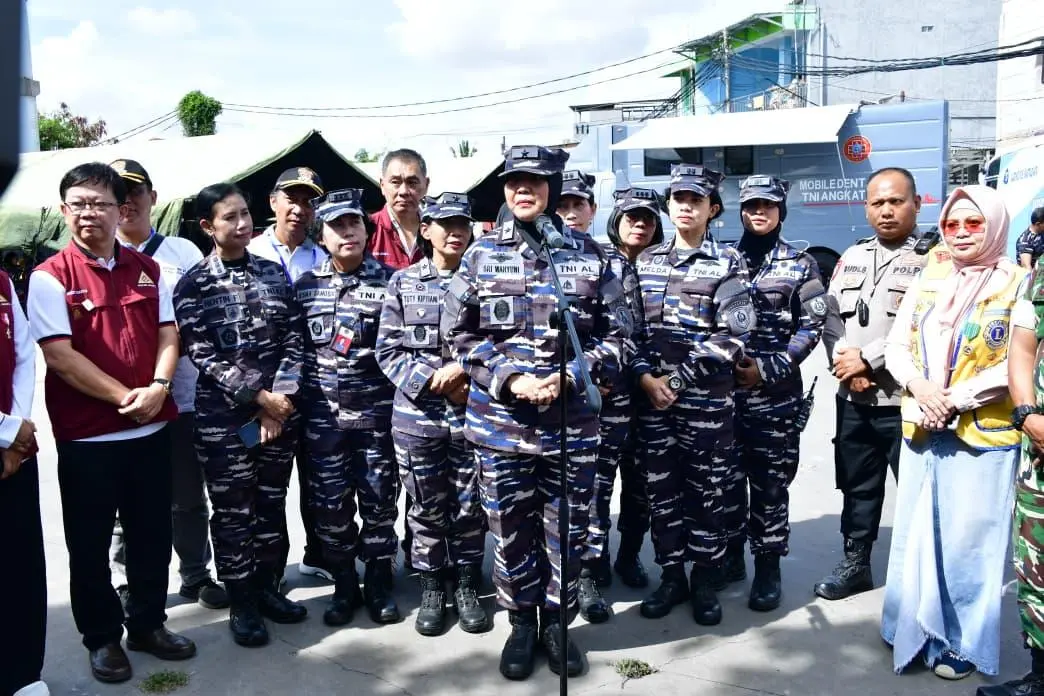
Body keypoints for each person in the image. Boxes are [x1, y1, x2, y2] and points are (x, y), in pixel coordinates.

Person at [442, 145, 630, 680]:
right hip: (501, 428)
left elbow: (619, 338)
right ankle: (522, 624)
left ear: (553, 188)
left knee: (566, 531)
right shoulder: (479, 257)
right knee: (511, 530)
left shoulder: (591, 256)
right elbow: (457, 333)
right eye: (514, 181)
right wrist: (510, 378)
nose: (523, 189)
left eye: (535, 181)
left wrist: (572, 374)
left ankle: (557, 623)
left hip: (570, 428)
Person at [27, 163, 195, 684]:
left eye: (98, 203)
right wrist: (129, 397)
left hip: (151, 432)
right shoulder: (49, 277)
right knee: (90, 543)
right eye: (77, 203)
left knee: (150, 536)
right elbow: (60, 356)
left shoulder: (149, 269)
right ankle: (102, 638)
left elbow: (170, 333)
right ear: (64, 211)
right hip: (89, 440)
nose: (88, 213)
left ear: (119, 209)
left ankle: (147, 624)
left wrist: (160, 388)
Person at [882, 184, 1026, 680]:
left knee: (971, 542)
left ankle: (964, 643)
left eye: (974, 223)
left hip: (981, 430)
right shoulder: (931, 278)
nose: (961, 234)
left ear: (995, 227)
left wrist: (955, 399)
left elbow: (1018, 361)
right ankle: (908, 626)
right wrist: (921, 387)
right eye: (952, 224)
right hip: (924, 424)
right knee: (914, 533)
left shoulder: (1018, 283)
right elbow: (898, 343)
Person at [174, 183, 307, 648]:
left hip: (277, 418)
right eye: (230, 217)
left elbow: (295, 338)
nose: (243, 224)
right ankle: (242, 600)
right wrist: (259, 398)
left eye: (246, 214)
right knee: (234, 512)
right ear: (209, 226)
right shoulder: (193, 284)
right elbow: (203, 354)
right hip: (226, 424)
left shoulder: (273, 274)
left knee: (271, 505)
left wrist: (281, 399)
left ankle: (268, 589)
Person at [633, 164, 754, 627]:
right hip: (654, 403)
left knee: (707, 492)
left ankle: (705, 579)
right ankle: (671, 575)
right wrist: (646, 377)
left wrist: (676, 382)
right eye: (678, 198)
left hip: (704, 405)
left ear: (712, 209)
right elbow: (631, 330)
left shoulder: (728, 263)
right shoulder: (648, 262)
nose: (686, 205)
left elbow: (734, 335)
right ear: (669, 205)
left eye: (695, 199)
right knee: (661, 491)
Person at [106, 159, 226, 611]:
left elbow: (206, 319)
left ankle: (196, 574)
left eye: (134, 191)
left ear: (153, 198)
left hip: (186, 396)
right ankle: (124, 582)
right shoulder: (102, 257)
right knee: (126, 501)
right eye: (116, 194)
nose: (127, 202)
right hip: (125, 400)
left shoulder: (182, 253)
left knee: (187, 495)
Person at [376, 191, 489, 637]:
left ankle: (464, 582)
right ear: (426, 230)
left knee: (469, 502)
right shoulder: (402, 283)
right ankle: (430, 584)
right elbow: (386, 350)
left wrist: (464, 373)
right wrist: (433, 379)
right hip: (417, 416)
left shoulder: (487, 282)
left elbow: (500, 343)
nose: (455, 232)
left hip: (471, 413)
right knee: (425, 504)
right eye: (445, 224)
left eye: (462, 223)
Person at [815, 167, 928, 601]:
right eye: (878, 202)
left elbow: (921, 323)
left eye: (896, 201)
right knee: (858, 485)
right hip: (853, 397)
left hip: (904, 400)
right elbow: (828, 315)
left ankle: (917, 576)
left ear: (916, 204)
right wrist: (844, 361)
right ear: (866, 207)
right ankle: (856, 564)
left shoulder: (932, 259)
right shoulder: (853, 255)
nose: (886, 211)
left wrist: (869, 361)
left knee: (916, 492)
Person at [720, 175, 827, 612]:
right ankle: (730, 558)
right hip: (724, 397)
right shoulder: (723, 259)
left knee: (769, 485)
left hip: (775, 397)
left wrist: (766, 369)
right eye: (750, 206)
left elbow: (812, 326)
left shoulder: (801, 264)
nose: (758, 213)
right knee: (725, 482)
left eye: (767, 206)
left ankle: (768, 565)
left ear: (781, 210)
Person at [294, 189, 401, 626]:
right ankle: (343, 583)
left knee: (379, 500)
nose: (348, 232)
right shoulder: (304, 289)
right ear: (322, 235)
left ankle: (377, 580)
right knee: (330, 506)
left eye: (354, 223)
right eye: (337, 226)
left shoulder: (393, 283)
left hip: (376, 418)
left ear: (365, 227)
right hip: (323, 423)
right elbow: (293, 353)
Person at [568, 181, 659, 624]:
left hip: (655, 397)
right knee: (594, 489)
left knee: (641, 484)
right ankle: (589, 567)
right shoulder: (596, 262)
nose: (638, 225)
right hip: (607, 396)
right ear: (613, 219)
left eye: (646, 218)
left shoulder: (663, 264)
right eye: (631, 217)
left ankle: (629, 555)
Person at [247, 166, 330, 583]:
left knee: (317, 479)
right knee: (267, 482)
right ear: (273, 202)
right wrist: (265, 398)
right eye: (291, 198)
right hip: (264, 398)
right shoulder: (251, 254)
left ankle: (317, 554)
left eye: (308, 200)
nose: (299, 208)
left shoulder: (323, 258)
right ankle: (270, 570)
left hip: (315, 393)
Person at [993, 244, 1044, 696]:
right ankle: (1040, 675)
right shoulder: (1042, 271)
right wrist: (1027, 413)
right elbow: (1023, 346)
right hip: (1041, 445)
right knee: (1035, 561)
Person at [0, 268, 47, 696]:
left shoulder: (0, 282)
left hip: (12, 449)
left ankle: (22, 674)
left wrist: (14, 432)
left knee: (19, 564)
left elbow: (23, 354)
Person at [369, 149, 430, 270]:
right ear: (382, 185)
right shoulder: (367, 230)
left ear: (426, 185)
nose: (403, 192)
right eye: (395, 182)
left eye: (412, 182)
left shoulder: (439, 232)